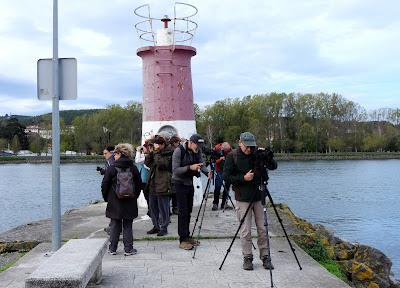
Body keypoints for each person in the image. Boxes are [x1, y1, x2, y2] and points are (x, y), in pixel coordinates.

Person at [223, 132, 274, 270]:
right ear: (240, 143)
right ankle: (247, 257)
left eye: (252, 146)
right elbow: (226, 177)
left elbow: (273, 166)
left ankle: (265, 256)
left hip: (259, 196)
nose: (249, 149)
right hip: (242, 198)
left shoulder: (257, 153)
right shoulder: (232, 156)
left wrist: (267, 155)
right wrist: (243, 178)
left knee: (263, 229)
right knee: (245, 230)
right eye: (247, 146)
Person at [172, 133, 211, 250]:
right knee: (182, 211)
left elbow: (201, 164)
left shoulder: (197, 151)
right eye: (197, 145)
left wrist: (207, 172)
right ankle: (182, 239)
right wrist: (190, 167)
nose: (198, 147)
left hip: (189, 183)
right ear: (191, 142)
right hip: (179, 184)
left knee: (188, 210)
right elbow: (175, 170)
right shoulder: (178, 151)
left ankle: (187, 236)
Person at [101, 143, 142, 256]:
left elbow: (104, 184)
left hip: (114, 201)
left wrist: (107, 198)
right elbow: (139, 184)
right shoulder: (133, 167)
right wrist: (135, 196)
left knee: (115, 224)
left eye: (115, 153)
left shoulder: (112, 168)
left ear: (120, 153)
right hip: (130, 200)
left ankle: (112, 249)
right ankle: (128, 249)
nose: (113, 156)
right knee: (128, 224)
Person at [145, 136, 174, 236]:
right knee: (152, 207)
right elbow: (147, 163)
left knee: (164, 208)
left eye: (157, 144)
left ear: (162, 145)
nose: (155, 146)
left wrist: (156, 153)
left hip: (164, 184)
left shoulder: (169, 153)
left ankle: (164, 227)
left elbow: (162, 164)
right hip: (153, 184)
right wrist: (151, 152)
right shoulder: (155, 153)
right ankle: (156, 226)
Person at [211, 141, 232, 211]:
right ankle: (215, 204)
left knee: (227, 187)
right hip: (219, 170)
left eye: (228, 150)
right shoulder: (216, 150)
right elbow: (213, 161)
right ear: (223, 148)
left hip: (227, 170)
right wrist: (220, 159)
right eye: (226, 150)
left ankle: (224, 204)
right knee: (217, 187)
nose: (227, 151)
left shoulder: (230, 150)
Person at [135, 141, 151, 216]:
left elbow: (137, 161)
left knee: (147, 195)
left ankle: (150, 210)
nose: (142, 149)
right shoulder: (144, 156)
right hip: (142, 179)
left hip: (145, 179)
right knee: (146, 195)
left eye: (143, 148)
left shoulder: (147, 156)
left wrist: (138, 151)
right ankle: (150, 210)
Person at [169, 135, 181, 215]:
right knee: (172, 192)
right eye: (178, 142)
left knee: (174, 192)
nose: (179, 144)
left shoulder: (174, 149)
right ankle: (174, 208)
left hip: (173, 172)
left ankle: (173, 208)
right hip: (171, 173)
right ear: (174, 143)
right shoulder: (173, 150)